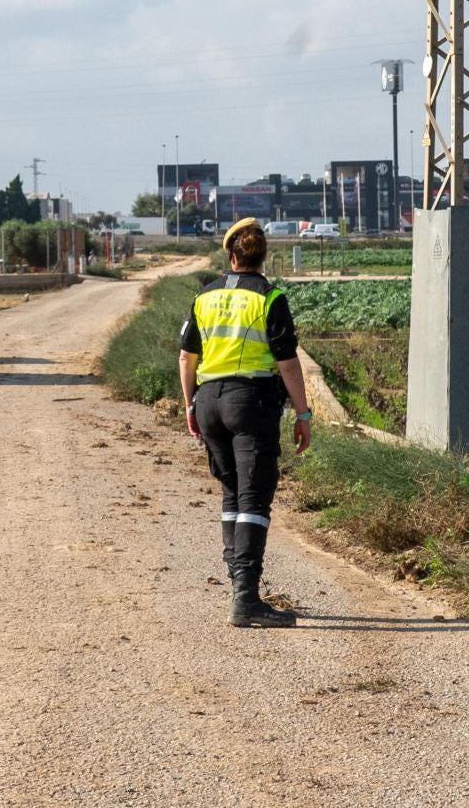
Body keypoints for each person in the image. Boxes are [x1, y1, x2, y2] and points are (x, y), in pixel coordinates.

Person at [178, 217, 313, 628]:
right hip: (249, 403)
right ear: (261, 256)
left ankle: (240, 585)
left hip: (208, 402)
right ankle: (246, 599)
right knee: (254, 496)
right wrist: (303, 414)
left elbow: (186, 357)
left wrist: (189, 407)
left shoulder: (204, 296)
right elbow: (287, 363)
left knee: (232, 494)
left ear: (231, 255)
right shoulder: (270, 299)